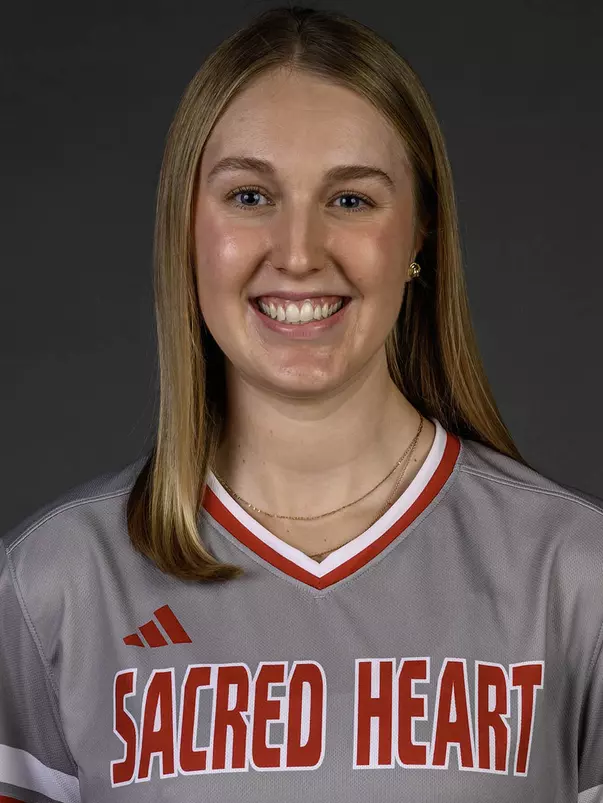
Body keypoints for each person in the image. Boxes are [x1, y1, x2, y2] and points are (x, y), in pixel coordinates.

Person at [1, 5, 602, 802]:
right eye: (249, 196)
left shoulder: (574, 576)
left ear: (421, 233)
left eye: (351, 200)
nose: (296, 252)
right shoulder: (52, 586)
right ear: (185, 228)